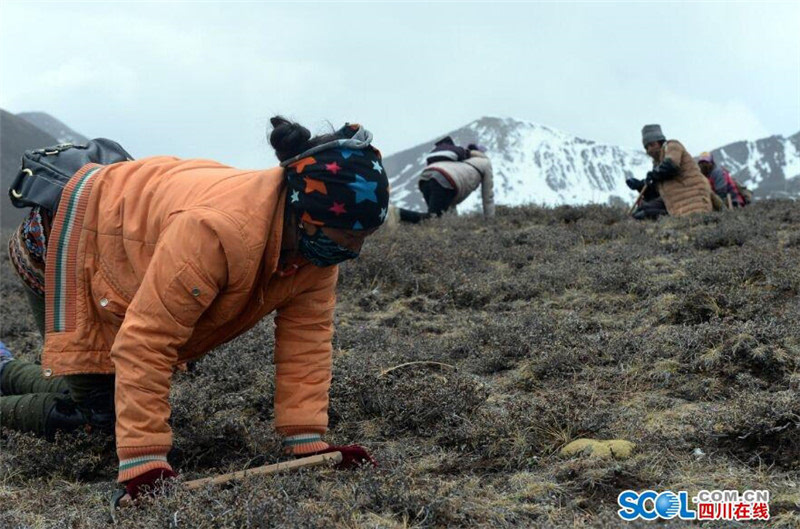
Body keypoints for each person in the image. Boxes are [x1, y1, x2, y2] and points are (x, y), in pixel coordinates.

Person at [1, 116, 388, 503]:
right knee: (96, 421)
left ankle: (4, 367)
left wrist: (306, 440)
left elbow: (306, 344)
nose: (354, 251)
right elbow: (146, 342)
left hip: (126, 244)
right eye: (349, 236)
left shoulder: (314, 254)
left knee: (103, 393)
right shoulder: (216, 232)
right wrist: (145, 462)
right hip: (64, 237)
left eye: (364, 238)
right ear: (305, 214)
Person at [398, 136, 495, 223]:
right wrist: (490, 220)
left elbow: (451, 200)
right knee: (433, 219)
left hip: (425, 178)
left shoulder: (461, 159)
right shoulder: (485, 162)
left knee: (438, 220)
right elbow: (488, 196)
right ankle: (397, 213)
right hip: (443, 180)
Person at [639, 124, 713, 216]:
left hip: (693, 199)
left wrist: (654, 175)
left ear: (660, 141)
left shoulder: (672, 146)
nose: (649, 150)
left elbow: (671, 166)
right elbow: (657, 193)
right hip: (676, 205)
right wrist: (640, 186)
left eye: (652, 145)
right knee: (642, 212)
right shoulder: (657, 164)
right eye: (646, 148)